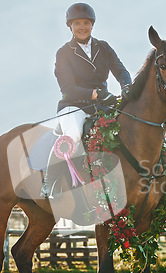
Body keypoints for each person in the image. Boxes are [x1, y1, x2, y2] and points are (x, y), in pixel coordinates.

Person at [41, 3, 132, 198]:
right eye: (77, 23)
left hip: (102, 105)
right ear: (70, 26)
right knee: (73, 135)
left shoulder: (104, 47)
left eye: (86, 23)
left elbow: (120, 70)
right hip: (74, 106)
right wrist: (95, 94)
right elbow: (68, 88)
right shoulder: (63, 53)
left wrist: (126, 85)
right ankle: (49, 182)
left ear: (92, 24)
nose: (82, 27)